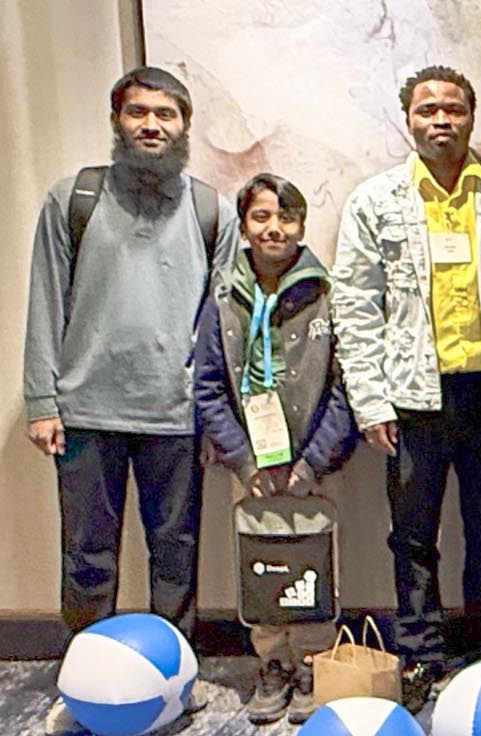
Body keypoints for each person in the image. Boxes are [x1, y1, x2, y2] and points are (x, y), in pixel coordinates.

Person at [23, 66, 240, 733]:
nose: (152, 125)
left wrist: (216, 416)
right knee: (87, 552)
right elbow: (44, 301)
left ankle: (176, 676)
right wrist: (41, 399)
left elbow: (222, 324)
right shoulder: (74, 199)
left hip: (176, 414)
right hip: (85, 409)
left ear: (184, 127)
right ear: (117, 120)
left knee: (175, 551)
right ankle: (84, 674)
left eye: (166, 115)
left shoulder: (212, 211)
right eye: (138, 113)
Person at [329, 65, 481, 710]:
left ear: (472, 117)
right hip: (411, 398)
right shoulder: (377, 200)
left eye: (453, 108)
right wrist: (369, 401)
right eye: (428, 111)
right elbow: (356, 307)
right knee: (413, 537)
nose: (441, 120)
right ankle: (420, 653)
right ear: (408, 120)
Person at [194, 173, 359, 725]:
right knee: (260, 562)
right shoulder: (222, 298)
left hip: (314, 463)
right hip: (251, 467)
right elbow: (209, 386)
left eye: (286, 217)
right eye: (262, 217)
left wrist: (314, 460)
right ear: (244, 225)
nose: (274, 228)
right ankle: (272, 664)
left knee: (310, 559)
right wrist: (243, 459)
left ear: (302, 226)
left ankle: (313, 659)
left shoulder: (328, 293)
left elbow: (346, 385)